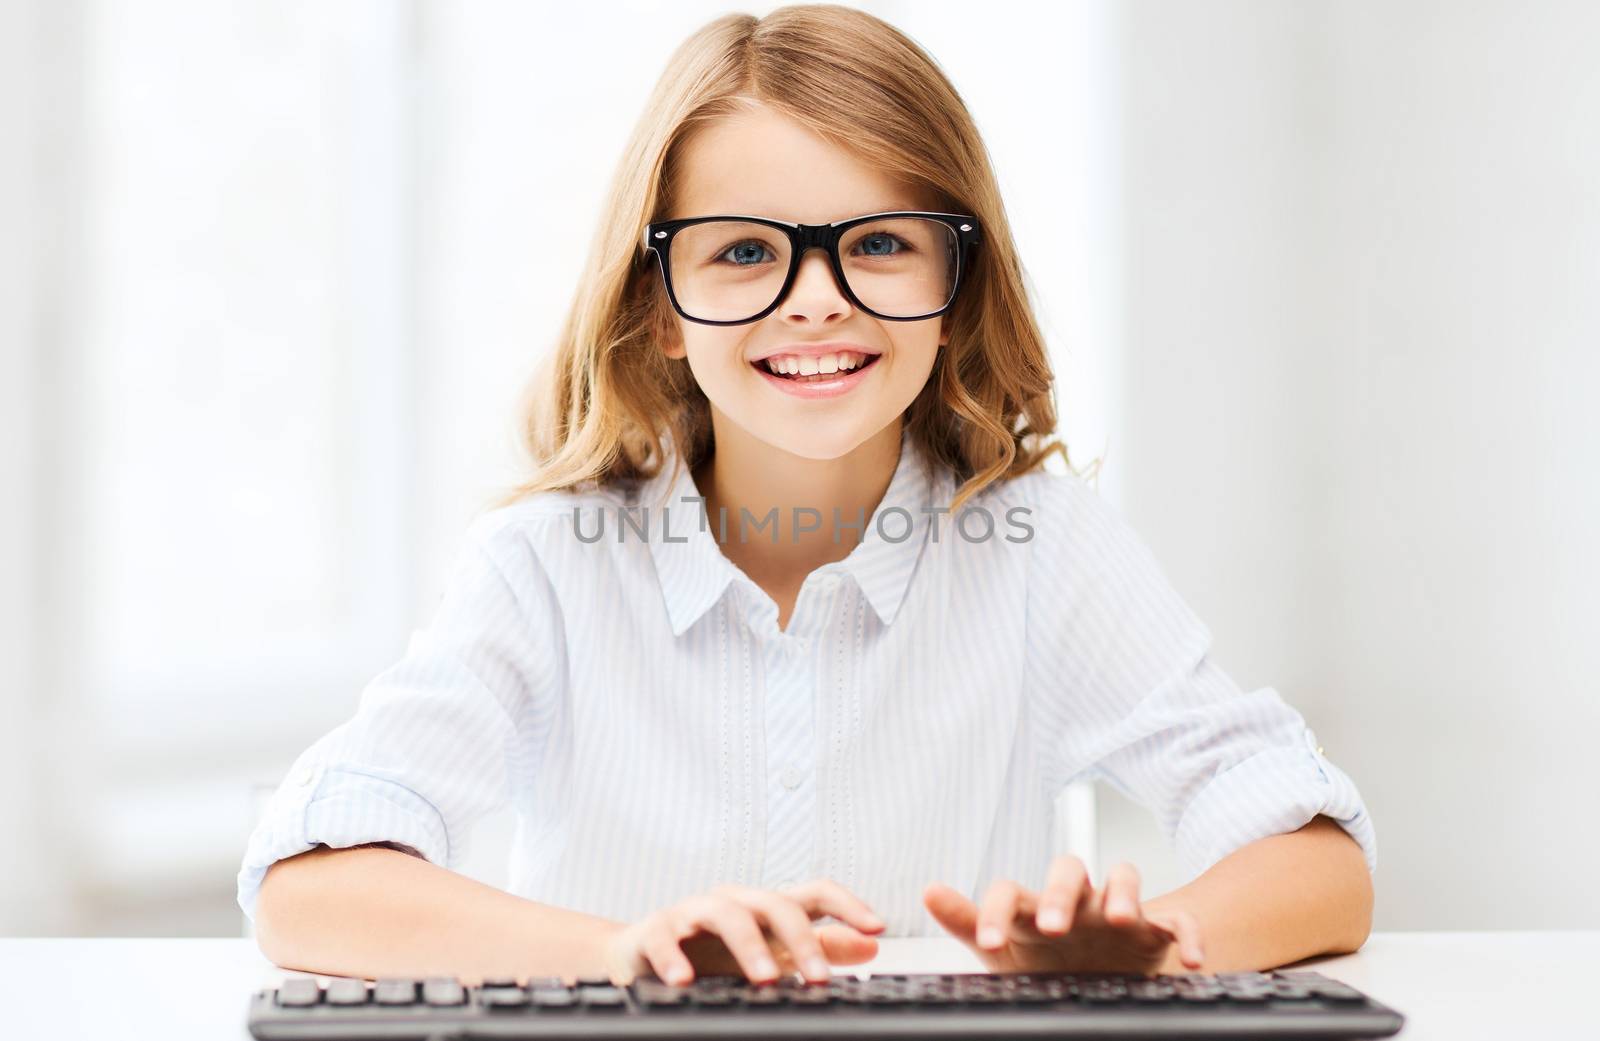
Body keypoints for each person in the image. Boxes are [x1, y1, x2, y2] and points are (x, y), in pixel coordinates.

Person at [240, 4, 1376, 989]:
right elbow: (309, 887)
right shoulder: (545, 564)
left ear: (953, 282)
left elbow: (1319, 861)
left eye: (878, 243)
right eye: (743, 253)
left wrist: (1163, 944)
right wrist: (625, 952)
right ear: (661, 306)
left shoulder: (1040, 548)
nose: (816, 302)